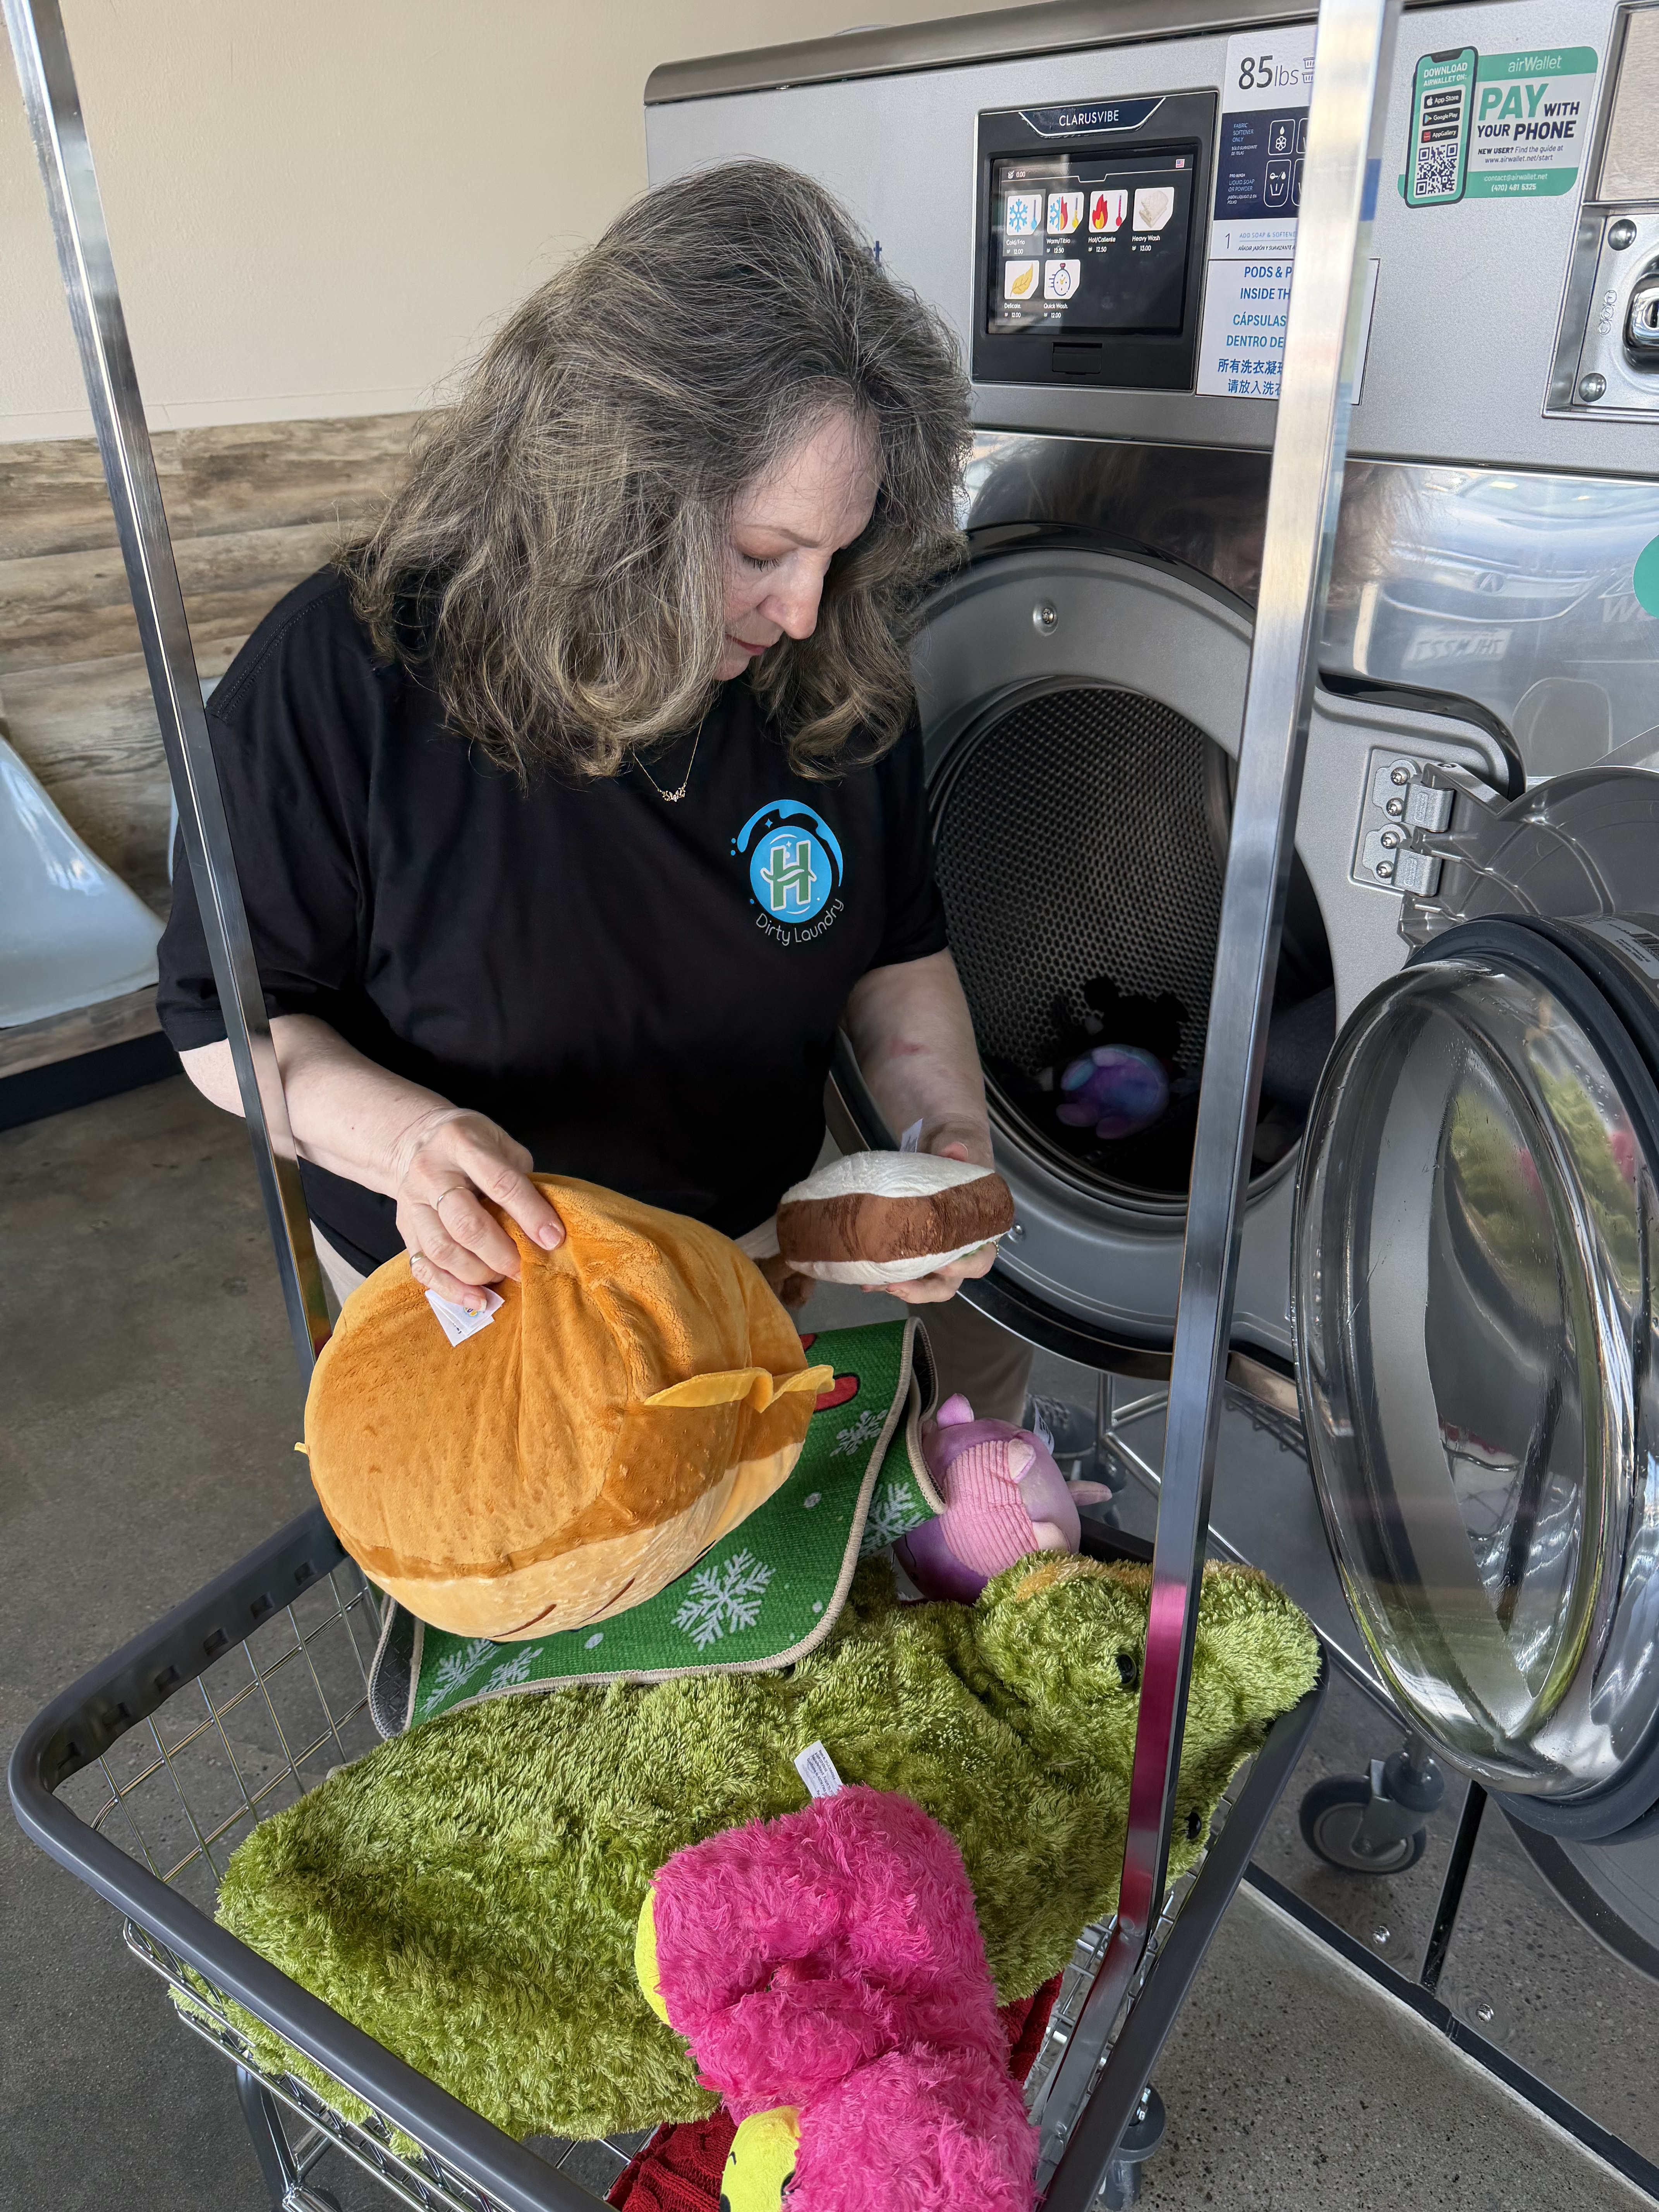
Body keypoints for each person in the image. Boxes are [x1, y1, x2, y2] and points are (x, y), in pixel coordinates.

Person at [157, 159, 1036, 1424]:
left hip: (749, 1260)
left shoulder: (833, 666)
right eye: (761, 552)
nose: (801, 610)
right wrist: (410, 1144)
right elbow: (229, 1031)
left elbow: (897, 953)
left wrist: (942, 1132)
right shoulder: (347, 672)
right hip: (475, 1290)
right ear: (606, 500)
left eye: (835, 556)